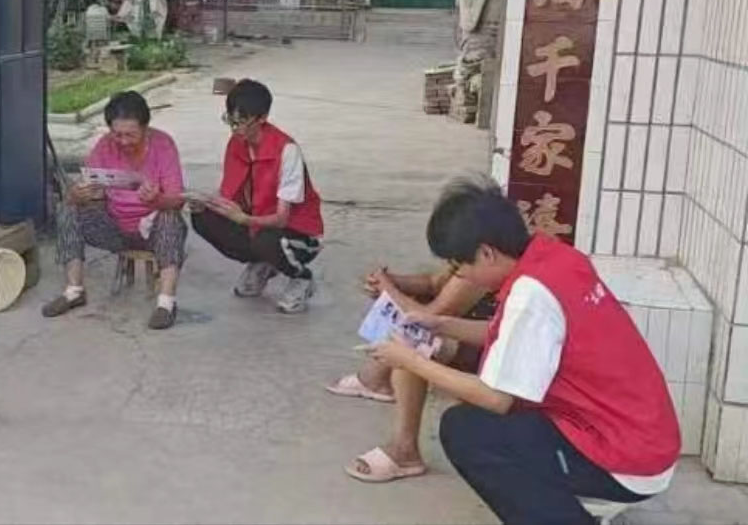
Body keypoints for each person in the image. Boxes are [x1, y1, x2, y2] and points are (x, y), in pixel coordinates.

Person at [362, 178, 680, 524]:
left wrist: (410, 360)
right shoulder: (555, 258)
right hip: (642, 435)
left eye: (459, 266)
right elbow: (512, 335)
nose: (460, 275)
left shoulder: (530, 295)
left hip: (624, 458)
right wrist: (441, 324)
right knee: (481, 420)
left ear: (487, 253)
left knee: (467, 432)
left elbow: (496, 397)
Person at [330, 265, 492, 482]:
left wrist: (389, 289)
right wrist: (391, 282)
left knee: (415, 340)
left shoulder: (485, 261)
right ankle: (377, 377)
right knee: (414, 317)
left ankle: (404, 448)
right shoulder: (479, 257)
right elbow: (435, 282)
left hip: (489, 348)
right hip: (485, 333)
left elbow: (436, 310)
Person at [41, 91, 188, 330]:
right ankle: (74, 290)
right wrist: (77, 195)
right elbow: (83, 188)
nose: (124, 141)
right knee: (69, 209)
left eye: (131, 135)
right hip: (115, 226)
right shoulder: (105, 146)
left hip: (153, 229)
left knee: (171, 218)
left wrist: (158, 199)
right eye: (117, 134)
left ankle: (166, 303)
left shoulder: (163, 145)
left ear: (145, 128)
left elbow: (178, 200)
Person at [191, 79, 324, 313]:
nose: (235, 129)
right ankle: (262, 262)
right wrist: (205, 203)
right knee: (203, 218)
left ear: (262, 118)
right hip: (255, 222)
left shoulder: (287, 151)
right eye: (230, 121)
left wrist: (244, 219)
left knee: (266, 239)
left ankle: (301, 277)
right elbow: (229, 192)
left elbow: (282, 219)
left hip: (295, 233)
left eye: (242, 122)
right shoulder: (236, 144)